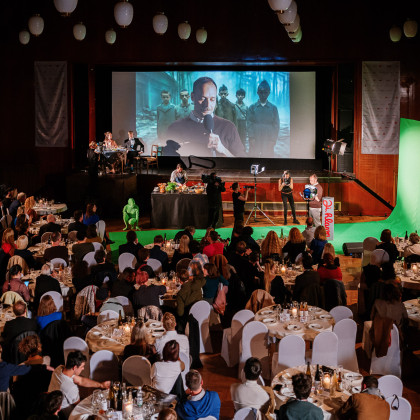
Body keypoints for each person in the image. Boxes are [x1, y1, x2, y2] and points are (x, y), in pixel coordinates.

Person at [166, 76, 245, 157]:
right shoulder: (174, 128)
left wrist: (223, 150)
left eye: (212, 99)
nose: (207, 105)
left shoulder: (229, 127)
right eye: (203, 98)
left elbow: (243, 162)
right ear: (192, 97)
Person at [13, 335, 53, 418]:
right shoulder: (47, 361)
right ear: (38, 346)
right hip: (44, 405)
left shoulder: (20, 368)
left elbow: (15, 390)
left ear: (24, 349)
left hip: (25, 407)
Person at [247, 80, 280, 157]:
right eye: (261, 92)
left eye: (265, 92)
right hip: (255, 138)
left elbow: (276, 125)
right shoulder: (252, 107)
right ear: (258, 93)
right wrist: (251, 138)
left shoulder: (273, 108)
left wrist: (273, 140)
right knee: (253, 157)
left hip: (268, 139)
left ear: (269, 93)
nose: (263, 95)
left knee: (268, 158)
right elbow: (249, 123)